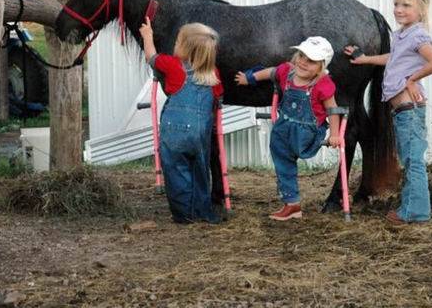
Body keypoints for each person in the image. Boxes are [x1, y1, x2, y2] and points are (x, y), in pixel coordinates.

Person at [344, 0, 432, 224]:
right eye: (396, 4)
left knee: (413, 161)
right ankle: (411, 207)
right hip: (401, 110)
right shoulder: (400, 35)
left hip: (409, 109)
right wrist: (365, 59)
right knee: (409, 159)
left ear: (420, 9)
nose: (399, 10)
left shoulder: (419, 34)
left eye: (406, 5)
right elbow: (393, 58)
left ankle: (416, 211)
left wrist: (411, 80)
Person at [235, 36, 341, 221]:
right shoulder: (287, 72)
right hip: (283, 128)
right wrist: (250, 78)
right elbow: (271, 72)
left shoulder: (322, 84)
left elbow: (332, 110)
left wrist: (334, 134)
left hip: (307, 132)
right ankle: (292, 205)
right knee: (283, 163)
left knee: (290, 156)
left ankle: (292, 203)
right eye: (301, 56)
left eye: (311, 61)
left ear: (321, 66)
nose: (303, 63)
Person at [139, 19, 223, 224]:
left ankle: (183, 214)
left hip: (174, 132)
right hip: (200, 134)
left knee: (176, 171)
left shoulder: (172, 65)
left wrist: (147, 36)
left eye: (178, 40)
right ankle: (203, 211)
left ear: (185, 47)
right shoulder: (214, 75)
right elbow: (217, 101)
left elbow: (151, 57)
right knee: (200, 171)